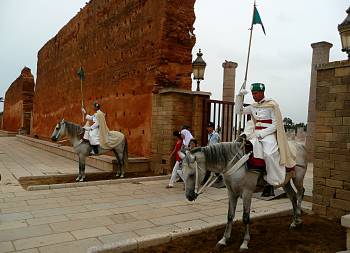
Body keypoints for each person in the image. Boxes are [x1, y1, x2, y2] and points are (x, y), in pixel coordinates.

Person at [240, 82, 296, 197]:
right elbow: (239, 111)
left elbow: (275, 124)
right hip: (255, 133)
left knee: (269, 153)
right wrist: (239, 96)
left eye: (255, 93)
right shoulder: (253, 106)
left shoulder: (272, 105)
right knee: (244, 149)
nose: (253, 96)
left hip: (268, 133)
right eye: (252, 93)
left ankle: (273, 181)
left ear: (261, 92)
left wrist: (263, 133)